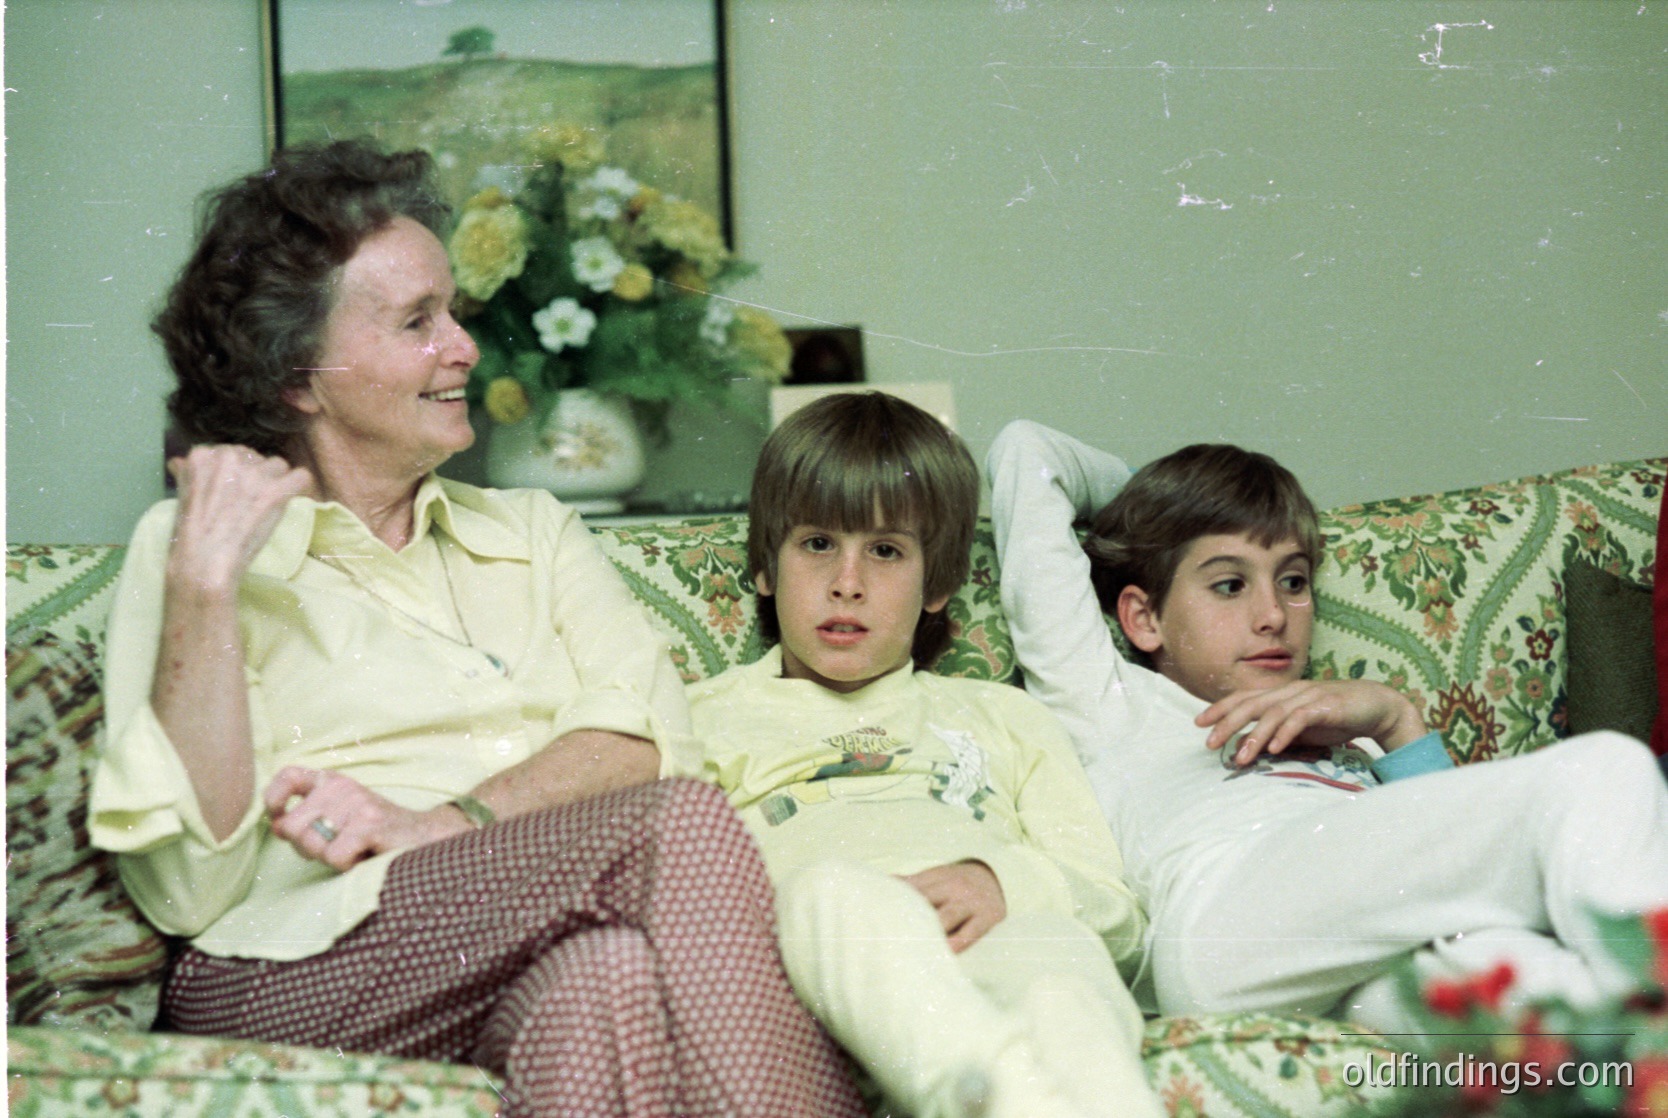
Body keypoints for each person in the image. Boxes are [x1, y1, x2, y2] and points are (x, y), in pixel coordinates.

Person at [87, 141, 868, 1118]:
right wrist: (203, 583)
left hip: (512, 936)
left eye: (453, 310)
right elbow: (186, 890)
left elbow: (652, 746)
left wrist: (443, 825)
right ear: (299, 378)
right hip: (283, 969)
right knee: (677, 832)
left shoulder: (536, 533)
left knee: (605, 979)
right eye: (419, 321)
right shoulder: (198, 547)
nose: (464, 346)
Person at [986, 419, 1668, 1034]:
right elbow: (1026, 450)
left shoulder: (1349, 731)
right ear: (1144, 619)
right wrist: (1155, 509)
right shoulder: (1113, 700)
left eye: (1292, 581)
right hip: (1223, 923)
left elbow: (1461, 860)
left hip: (1353, 963)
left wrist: (1396, 720)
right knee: (1608, 769)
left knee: (1562, 1010)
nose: (1273, 615)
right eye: (1229, 584)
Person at [686, 393, 1161, 1118]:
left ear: (937, 584)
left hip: (997, 933)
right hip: (823, 955)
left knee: (1062, 976)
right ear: (765, 568)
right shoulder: (698, 718)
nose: (848, 581)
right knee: (832, 895)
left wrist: (1003, 882)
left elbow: (1115, 912)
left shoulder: (1002, 716)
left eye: (885, 550)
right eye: (817, 544)